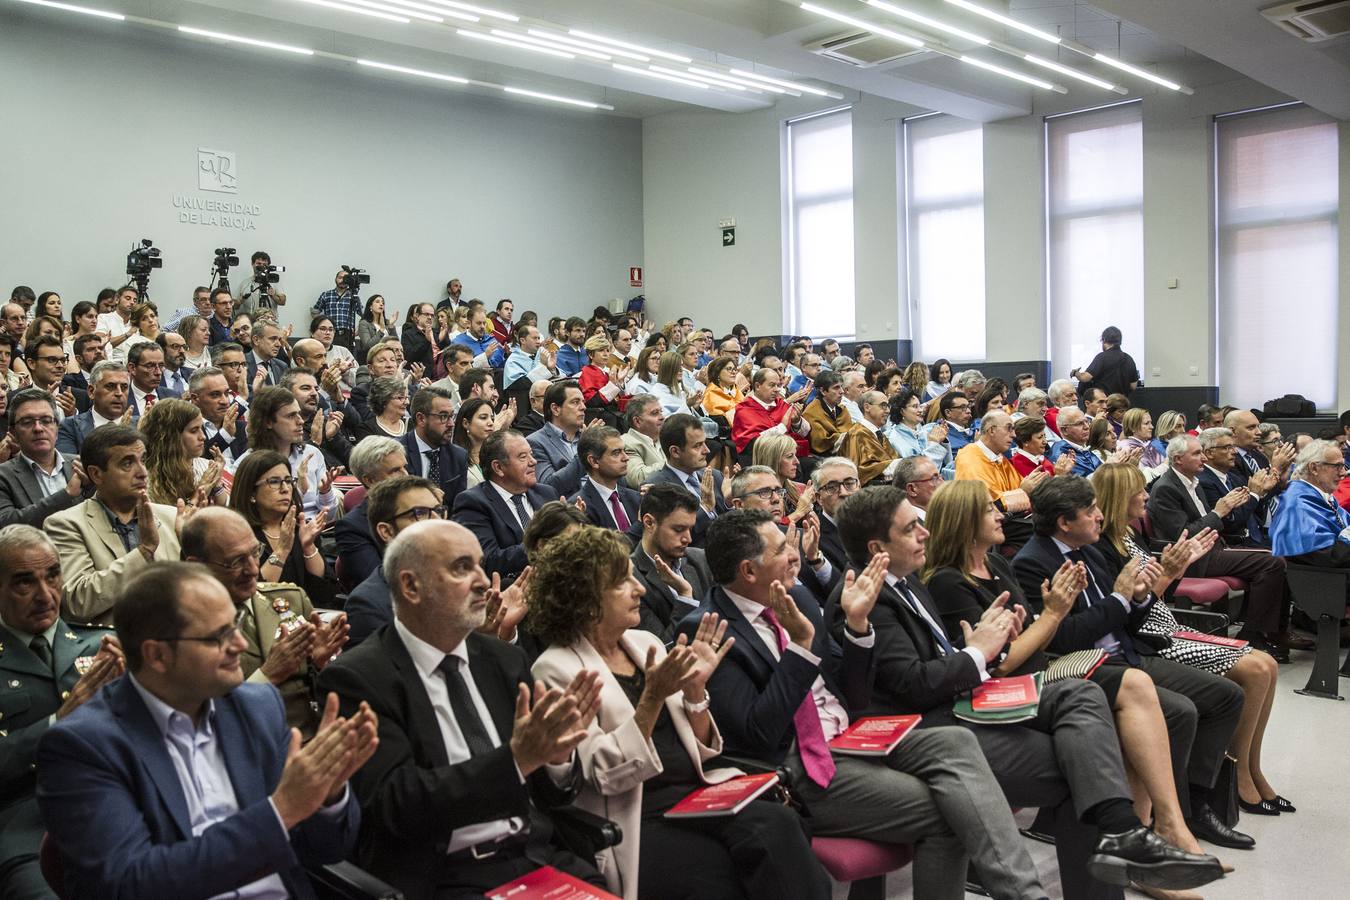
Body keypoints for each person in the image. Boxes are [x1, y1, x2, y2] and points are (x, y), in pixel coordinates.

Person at [841, 485, 1224, 897]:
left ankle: (1125, 827)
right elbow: (914, 687)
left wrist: (983, 643)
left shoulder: (909, 581)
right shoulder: (871, 599)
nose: (925, 533)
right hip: (934, 724)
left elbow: (955, 654)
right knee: (1083, 769)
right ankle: (1125, 835)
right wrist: (978, 652)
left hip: (981, 689)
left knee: (1082, 696)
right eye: (912, 527)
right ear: (878, 546)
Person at [676, 510, 1055, 899]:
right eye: (781, 549)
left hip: (852, 735)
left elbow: (853, 692)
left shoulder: (799, 596)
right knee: (949, 813)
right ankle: (1026, 895)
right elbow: (759, 733)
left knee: (954, 741)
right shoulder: (706, 627)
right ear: (748, 571)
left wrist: (857, 626)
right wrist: (801, 650)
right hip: (798, 764)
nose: (795, 555)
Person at [528, 526, 830, 900]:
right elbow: (603, 776)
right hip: (635, 812)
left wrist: (695, 692)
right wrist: (652, 699)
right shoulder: (557, 668)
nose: (639, 589)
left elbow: (705, 750)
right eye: (623, 583)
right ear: (585, 598)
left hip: (695, 793)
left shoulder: (644, 642)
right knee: (721, 876)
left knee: (779, 825)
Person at [37, 561, 372, 897]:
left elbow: (325, 850)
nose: (240, 644)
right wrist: (281, 811)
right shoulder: (84, 746)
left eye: (236, 625)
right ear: (157, 655)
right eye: (219, 636)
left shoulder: (256, 707)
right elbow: (129, 884)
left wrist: (327, 795)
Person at [317, 520, 606, 899]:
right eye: (461, 567)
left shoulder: (504, 660)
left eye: (480, 565)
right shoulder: (359, 678)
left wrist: (556, 756)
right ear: (410, 586)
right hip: (442, 876)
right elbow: (395, 805)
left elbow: (550, 794)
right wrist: (516, 759)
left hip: (532, 855)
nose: (484, 581)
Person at [1013, 476, 1253, 851]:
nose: (1099, 516)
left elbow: (1128, 619)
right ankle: (1164, 820)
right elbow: (1062, 639)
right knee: (1180, 711)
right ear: (1064, 522)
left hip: (1127, 653)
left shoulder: (1089, 550)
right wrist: (1122, 599)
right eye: (1090, 510)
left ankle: (1197, 801)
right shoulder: (1032, 562)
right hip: (1083, 666)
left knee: (1227, 696)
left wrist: (1139, 598)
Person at [1094, 463, 1289, 818]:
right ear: (1120, 497)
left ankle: (1252, 769)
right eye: (1139, 491)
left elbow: (1156, 596)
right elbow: (1129, 610)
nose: (1146, 496)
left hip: (1162, 624)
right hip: (1150, 636)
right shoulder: (1104, 546)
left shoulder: (1126, 535)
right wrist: (1170, 571)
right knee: (1258, 669)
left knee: (1268, 665)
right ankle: (1240, 777)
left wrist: (1177, 566)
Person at [0, 525, 124, 900]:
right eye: (25, 582)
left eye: (53, 575)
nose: (45, 595)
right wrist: (60, 721)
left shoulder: (104, 644)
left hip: (116, 808)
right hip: (28, 827)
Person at [181, 507, 347, 737]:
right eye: (237, 561)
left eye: (255, 553)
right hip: (240, 749)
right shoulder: (181, 631)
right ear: (196, 565)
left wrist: (320, 664)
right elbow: (198, 719)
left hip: (310, 739)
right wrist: (268, 674)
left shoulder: (289, 599)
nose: (253, 569)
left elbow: (324, 694)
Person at [1146, 435, 1293, 658]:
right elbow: (1184, 535)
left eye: (1202, 452)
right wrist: (1219, 511)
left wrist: (1232, 507)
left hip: (1213, 548)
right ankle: (1253, 634)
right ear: (1177, 459)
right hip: (1192, 558)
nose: (1203, 458)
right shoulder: (1166, 488)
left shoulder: (1193, 482)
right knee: (1271, 563)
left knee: (1279, 558)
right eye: (1196, 453)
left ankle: (1266, 632)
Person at [45, 425, 183, 626]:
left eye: (142, 460)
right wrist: (144, 552)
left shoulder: (171, 516)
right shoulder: (66, 524)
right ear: (96, 474)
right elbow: (78, 602)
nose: (143, 473)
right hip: (112, 646)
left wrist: (195, 546)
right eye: (127, 464)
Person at [228, 449, 336, 606]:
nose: (285, 488)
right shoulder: (237, 537)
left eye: (288, 480)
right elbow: (252, 599)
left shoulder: (300, 529)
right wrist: (281, 551)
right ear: (251, 493)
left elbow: (327, 594)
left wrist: (308, 547)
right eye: (274, 481)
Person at [452, 429, 561, 580]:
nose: (533, 461)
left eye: (532, 454)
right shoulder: (473, 502)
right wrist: (542, 544)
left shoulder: (547, 493)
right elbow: (487, 561)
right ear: (498, 467)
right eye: (523, 457)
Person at [233, 386, 339, 520]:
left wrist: (325, 492)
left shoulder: (312, 454)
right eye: (291, 416)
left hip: (317, 532)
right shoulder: (246, 464)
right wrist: (298, 490)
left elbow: (330, 516)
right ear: (268, 422)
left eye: (299, 414)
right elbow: (252, 518)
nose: (300, 421)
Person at [629, 483, 715, 640]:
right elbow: (664, 650)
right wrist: (685, 597)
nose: (688, 539)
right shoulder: (629, 579)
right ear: (649, 523)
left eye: (690, 529)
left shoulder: (700, 559)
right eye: (678, 529)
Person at [0, 388, 85, 527]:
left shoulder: (80, 465)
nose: (38, 428)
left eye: (46, 420)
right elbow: (6, 523)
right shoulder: (3, 476)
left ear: (57, 427)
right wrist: (66, 495)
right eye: (27, 422)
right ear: (13, 432)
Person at [335, 436, 408, 589]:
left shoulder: (420, 508)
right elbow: (378, 583)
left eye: (404, 467)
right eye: (395, 471)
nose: (405, 476)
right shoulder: (352, 528)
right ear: (369, 480)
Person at [644, 413, 726, 546]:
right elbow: (672, 537)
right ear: (675, 452)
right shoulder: (657, 487)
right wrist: (705, 508)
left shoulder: (715, 476)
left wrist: (728, 502)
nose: (707, 450)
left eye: (704, 443)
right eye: (697, 446)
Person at [1270, 438, 1350, 569]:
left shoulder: (1322, 497)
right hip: (1325, 582)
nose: (1343, 473)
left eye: (1343, 466)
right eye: (1337, 466)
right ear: (1314, 468)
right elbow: (1330, 558)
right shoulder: (1297, 504)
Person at [140, 397, 226, 508]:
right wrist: (200, 491)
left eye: (201, 428)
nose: (203, 437)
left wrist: (217, 481)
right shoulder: (146, 477)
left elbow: (224, 506)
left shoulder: (206, 466)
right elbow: (169, 522)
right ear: (171, 437)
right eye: (194, 431)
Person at [1195, 428, 1270, 547]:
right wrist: (1254, 494)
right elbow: (1229, 524)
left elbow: (1254, 513)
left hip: (1256, 538)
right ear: (1209, 453)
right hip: (1233, 544)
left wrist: (1262, 492)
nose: (1235, 451)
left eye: (1234, 446)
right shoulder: (1203, 482)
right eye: (1227, 447)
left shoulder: (1234, 477)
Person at [401, 385, 471, 506]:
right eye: (443, 416)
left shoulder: (458, 456)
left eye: (452, 416)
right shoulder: (398, 453)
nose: (451, 424)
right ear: (421, 419)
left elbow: (459, 508)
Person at [574, 425, 641, 535]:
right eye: (616, 453)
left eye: (624, 451)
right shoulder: (580, 508)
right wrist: (639, 525)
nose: (626, 458)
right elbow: (607, 551)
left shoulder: (636, 498)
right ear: (594, 461)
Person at [527, 380, 589, 496]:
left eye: (583, 402)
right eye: (575, 402)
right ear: (555, 409)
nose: (583, 407)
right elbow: (548, 487)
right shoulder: (535, 442)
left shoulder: (587, 437)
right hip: (569, 509)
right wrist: (585, 451)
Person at [835, 390, 900, 486]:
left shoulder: (880, 435)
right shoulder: (857, 434)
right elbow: (858, 471)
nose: (888, 410)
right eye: (883, 405)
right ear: (867, 407)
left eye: (888, 406)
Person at [885, 386, 951, 477]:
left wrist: (942, 440)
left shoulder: (925, 431)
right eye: (915, 406)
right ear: (902, 411)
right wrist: (934, 443)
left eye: (920, 406)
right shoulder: (894, 438)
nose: (920, 410)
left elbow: (947, 464)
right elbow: (916, 471)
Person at [1073, 326, 1139, 397]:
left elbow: (1085, 378)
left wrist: (1075, 373)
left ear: (1104, 339)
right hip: (1122, 403)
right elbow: (1133, 386)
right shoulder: (1129, 359)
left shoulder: (1102, 357)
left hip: (1105, 402)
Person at [800, 369, 852, 456]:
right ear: (823, 391)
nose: (842, 391)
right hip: (823, 459)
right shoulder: (811, 412)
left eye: (841, 386)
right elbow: (820, 444)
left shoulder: (842, 410)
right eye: (836, 387)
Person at [313, 269, 362, 351]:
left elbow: (364, 314)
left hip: (348, 334)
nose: (342, 280)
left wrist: (359, 328)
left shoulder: (353, 296)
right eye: (340, 277)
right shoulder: (326, 295)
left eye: (345, 278)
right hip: (330, 333)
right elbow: (315, 312)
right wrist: (321, 327)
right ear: (335, 279)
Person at [503, 322, 555, 391]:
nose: (538, 342)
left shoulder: (542, 354)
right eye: (534, 338)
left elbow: (561, 376)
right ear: (522, 340)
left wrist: (551, 369)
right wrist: (542, 366)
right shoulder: (513, 360)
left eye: (539, 338)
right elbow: (520, 385)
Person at [356, 293, 398, 361]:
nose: (381, 304)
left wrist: (391, 325)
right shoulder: (364, 323)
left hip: (390, 358)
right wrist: (381, 330)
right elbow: (368, 346)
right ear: (370, 306)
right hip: (374, 359)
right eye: (377, 302)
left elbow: (396, 343)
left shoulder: (387, 322)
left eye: (383, 303)